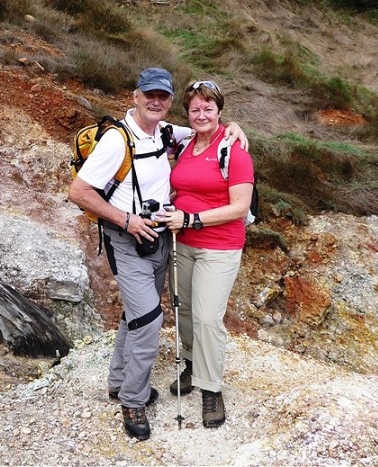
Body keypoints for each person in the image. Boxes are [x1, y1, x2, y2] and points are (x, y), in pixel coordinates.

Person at [68, 68, 247, 441]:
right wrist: (126, 219)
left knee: (134, 314)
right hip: (127, 238)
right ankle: (133, 399)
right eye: (149, 94)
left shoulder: (167, 132)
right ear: (135, 96)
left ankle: (118, 382)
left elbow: (207, 126)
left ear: (168, 103)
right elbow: (79, 191)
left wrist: (233, 126)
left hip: (163, 239)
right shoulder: (118, 139)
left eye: (163, 97)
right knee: (149, 319)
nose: (156, 102)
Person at [159, 79, 255, 429]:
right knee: (183, 310)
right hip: (182, 243)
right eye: (195, 109)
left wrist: (192, 217)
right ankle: (190, 364)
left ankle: (211, 388)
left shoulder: (235, 151)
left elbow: (240, 207)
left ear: (220, 112)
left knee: (206, 318)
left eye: (208, 109)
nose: (201, 114)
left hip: (220, 246)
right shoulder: (184, 144)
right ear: (188, 113)